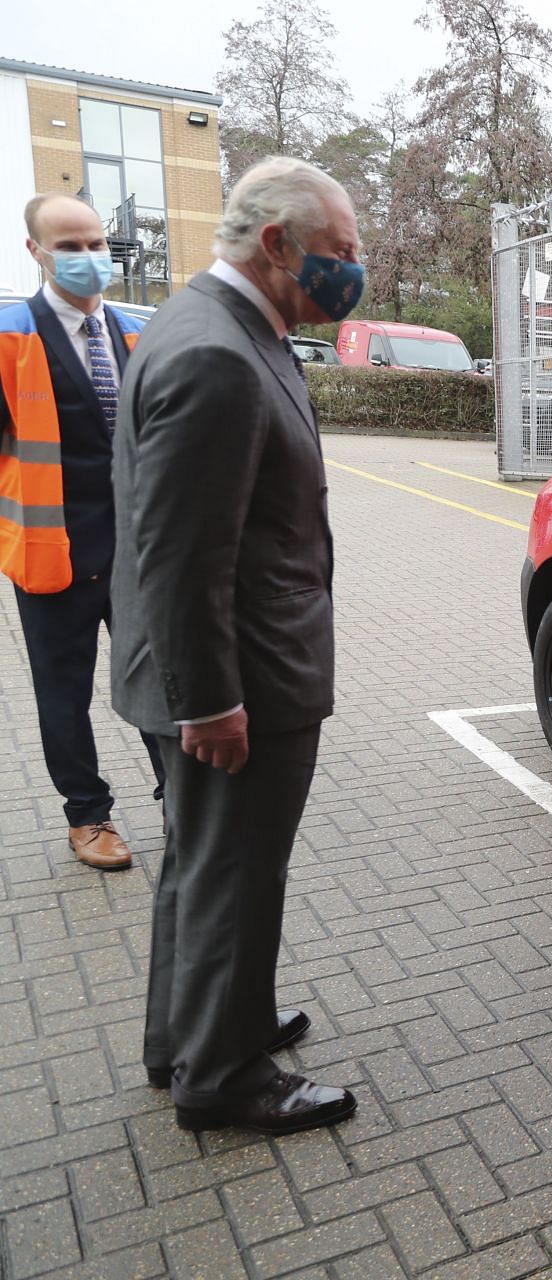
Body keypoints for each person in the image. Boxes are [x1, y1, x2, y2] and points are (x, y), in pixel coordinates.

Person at [111, 156, 363, 1135]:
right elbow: (181, 552)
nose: (353, 268)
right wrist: (210, 698)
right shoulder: (216, 352)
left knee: (202, 859)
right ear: (276, 245)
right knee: (234, 866)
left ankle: (198, 1029)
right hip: (235, 682)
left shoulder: (211, 326)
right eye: (339, 253)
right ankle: (222, 1074)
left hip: (225, 666)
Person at [0, 193, 168, 870]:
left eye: (97, 244)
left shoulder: (134, 333)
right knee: (62, 695)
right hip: (52, 553)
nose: (89, 258)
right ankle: (88, 816)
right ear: (36, 253)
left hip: (136, 554)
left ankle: (178, 795)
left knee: (160, 681)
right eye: (70, 247)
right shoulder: (10, 337)